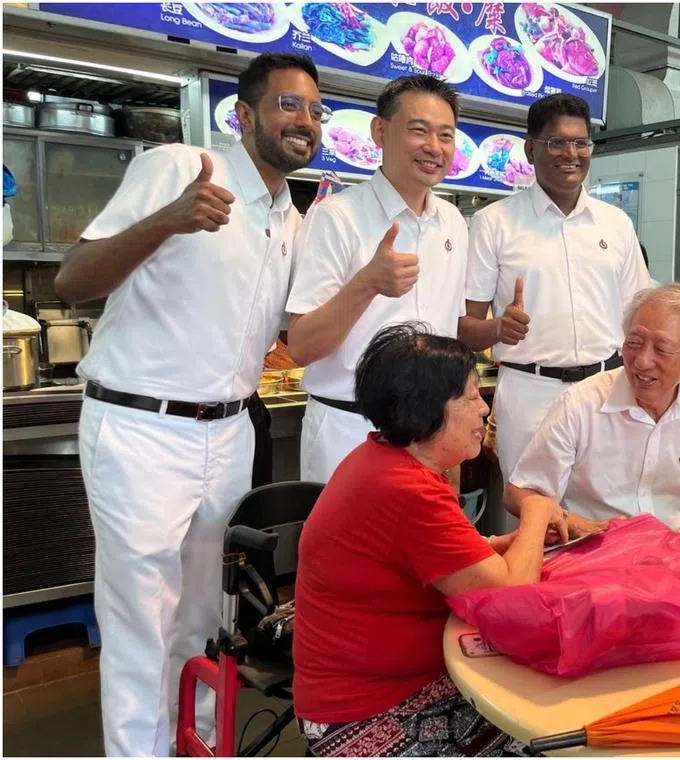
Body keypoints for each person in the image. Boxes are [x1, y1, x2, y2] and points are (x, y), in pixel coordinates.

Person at [53, 53, 323, 755]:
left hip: (229, 431)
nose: (305, 120)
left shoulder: (291, 218)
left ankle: (195, 742)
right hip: (141, 426)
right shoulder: (179, 167)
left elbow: (295, 329)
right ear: (244, 115)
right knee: (142, 617)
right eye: (288, 104)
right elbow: (72, 281)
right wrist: (168, 221)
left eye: (315, 110)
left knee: (207, 613)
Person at [292, 323, 565, 757]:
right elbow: (513, 600)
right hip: (368, 709)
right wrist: (536, 506)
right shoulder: (407, 490)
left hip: (398, 685)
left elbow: (445, 563)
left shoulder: (384, 459)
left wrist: (511, 544)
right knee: (550, 738)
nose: (484, 409)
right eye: (471, 396)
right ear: (428, 410)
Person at [459, 93, 652, 532]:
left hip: (606, 390)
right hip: (530, 393)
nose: (572, 154)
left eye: (581, 143)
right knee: (534, 524)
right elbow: (465, 328)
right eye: (557, 143)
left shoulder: (615, 224)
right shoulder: (494, 222)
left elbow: (640, 315)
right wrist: (498, 328)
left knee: (606, 519)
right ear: (531, 150)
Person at [287, 75, 468, 484]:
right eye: (419, 130)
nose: (434, 147)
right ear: (380, 131)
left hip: (431, 433)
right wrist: (367, 283)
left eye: (445, 135)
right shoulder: (336, 217)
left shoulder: (453, 223)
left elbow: (448, 336)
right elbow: (300, 346)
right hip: (349, 429)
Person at [506, 284, 680, 551]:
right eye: (634, 343)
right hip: (594, 551)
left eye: (662, 349)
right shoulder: (580, 404)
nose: (642, 361)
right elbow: (519, 492)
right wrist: (568, 520)